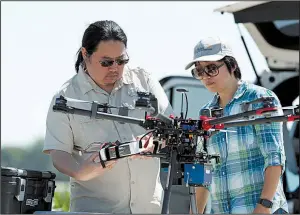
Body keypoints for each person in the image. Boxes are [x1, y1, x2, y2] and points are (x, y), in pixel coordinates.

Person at [43, 20, 173, 213]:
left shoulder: (144, 80)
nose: (115, 68)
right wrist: (81, 171)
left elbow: (172, 127)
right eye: (106, 62)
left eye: (121, 61)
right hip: (96, 210)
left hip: (149, 209)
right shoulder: (65, 98)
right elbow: (58, 154)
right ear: (85, 54)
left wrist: (155, 141)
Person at [184, 37, 288, 214]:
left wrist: (263, 207)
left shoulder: (261, 99)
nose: (205, 76)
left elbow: (274, 158)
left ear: (232, 66)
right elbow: (203, 171)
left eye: (211, 68)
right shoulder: (206, 112)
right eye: (199, 71)